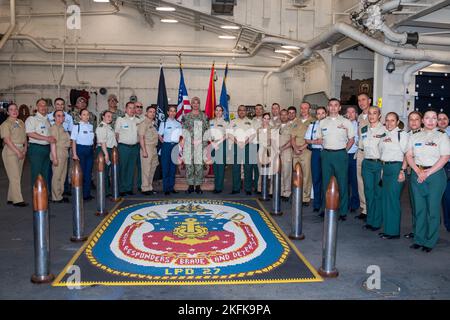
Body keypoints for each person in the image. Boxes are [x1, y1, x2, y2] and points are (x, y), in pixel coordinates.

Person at [406, 110, 450, 252]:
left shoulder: (442, 136)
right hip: (417, 174)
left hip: (435, 175)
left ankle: (430, 241)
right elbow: (409, 155)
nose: (431, 120)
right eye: (427, 118)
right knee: (419, 209)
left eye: (434, 118)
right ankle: (419, 239)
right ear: (423, 120)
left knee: (433, 209)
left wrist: (428, 172)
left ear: (437, 120)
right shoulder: (414, 135)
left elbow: (445, 157)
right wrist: (418, 171)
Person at [316, 98, 355, 220]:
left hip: (340, 155)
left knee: (342, 183)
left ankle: (343, 211)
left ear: (339, 108)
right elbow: (320, 139)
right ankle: (325, 208)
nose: (333, 107)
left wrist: (344, 150)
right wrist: (328, 148)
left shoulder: (346, 122)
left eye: (336, 105)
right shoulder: (322, 122)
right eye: (331, 105)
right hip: (326, 155)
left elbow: (352, 139)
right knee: (325, 183)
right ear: (328, 107)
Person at [378, 112, 409, 239]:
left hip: (397, 168)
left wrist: (402, 171)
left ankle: (393, 232)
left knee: (393, 200)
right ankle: (387, 229)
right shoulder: (384, 134)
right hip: (385, 168)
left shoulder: (402, 134)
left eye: (392, 120)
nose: (389, 123)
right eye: (387, 120)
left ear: (397, 122)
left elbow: (407, 154)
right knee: (385, 199)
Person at [360, 106, 385, 231]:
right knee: (368, 192)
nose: (372, 116)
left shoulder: (385, 130)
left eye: (375, 113)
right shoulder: (364, 129)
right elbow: (361, 147)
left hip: (379, 164)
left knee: (378, 194)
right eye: (370, 113)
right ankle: (370, 220)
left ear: (379, 115)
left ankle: (377, 222)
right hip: (367, 164)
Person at [0, 103, 28, 207]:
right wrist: (17, 152)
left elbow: (25, 137)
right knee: (15, 176)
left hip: (21, 149)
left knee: (17, 175)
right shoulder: (5, 124)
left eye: (16, 109)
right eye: (11, 109)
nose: (14, 111)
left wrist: (25, 149)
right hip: (11, 151)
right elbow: (7, 140)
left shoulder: (20, 122)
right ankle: (18, 200)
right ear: (7, 112)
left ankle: (11, 197)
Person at [182, 97, 209, 194]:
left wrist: (200, 140)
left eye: (197, 103)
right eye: (194, 103)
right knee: (189, 166)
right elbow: (184, 131)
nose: (195, 104)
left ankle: (198, 186)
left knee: (199, 166)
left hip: (200, 145)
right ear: (191, 104)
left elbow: (207, 131)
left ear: (199, 104)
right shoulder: (186, 116)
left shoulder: (204, 116)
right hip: (189, 145)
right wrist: (191, 140)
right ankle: (190, 186)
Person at [25, 98, 55, 187]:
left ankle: (43, 197)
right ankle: (36, 198)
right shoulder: (32, 119)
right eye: (41, 105)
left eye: (45, 105)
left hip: (46, 148)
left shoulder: (47, 120)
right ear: (37, 106)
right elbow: (29, 133)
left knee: (45, 173)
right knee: (36, 173)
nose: (43, 107)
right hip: (36, 149)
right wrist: (46, 138)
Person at [291, 102, 315, 206]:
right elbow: (292, 137)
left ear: (309, 109)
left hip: (306, 151)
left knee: (306, 175)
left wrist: (302, 147)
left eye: (306, 108)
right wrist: (295, 148)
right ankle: (297, 195)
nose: (303, 110)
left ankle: (305, 198)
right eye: (302, 108)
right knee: (296, 175)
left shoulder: (313, 121)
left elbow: (312, 137)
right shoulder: (296, 121)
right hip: (295, 150)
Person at [48, 98, 73, 196]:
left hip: (64, 152)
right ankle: (56, 196)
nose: (61, 118)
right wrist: (54, 158)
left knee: (62, 176)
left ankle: (60, 194)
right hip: (57, 152)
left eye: (62, 116)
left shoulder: (62, 127)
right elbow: (53, 143)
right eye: (58, 116)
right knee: (57, 176)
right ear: (54, 117)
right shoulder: (54, 128)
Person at [404, 111, 423, 239]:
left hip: (425, 172)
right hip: (412, 173)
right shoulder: (407, 136)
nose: (414, 122)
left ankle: (426, 231)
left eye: (416, 119)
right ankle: (417, 230)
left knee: (425, 205)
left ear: (421, 121)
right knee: (415, 203)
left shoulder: (427, 134)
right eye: (411, 119)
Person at [115, 101, 140, 196]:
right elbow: (116, 134)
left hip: (134, 147)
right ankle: (121, 189)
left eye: (133, 108)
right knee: (123, 168)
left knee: (131, 169)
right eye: (130, 108)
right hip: (124, 147)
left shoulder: (137, 120)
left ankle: (128, 188)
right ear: (126, 109)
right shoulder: (120, 119)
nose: (132, 110)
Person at [305, 106, 327, 213]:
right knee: (316, 178)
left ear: (326, 114)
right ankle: (317, 203)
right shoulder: (312, 125)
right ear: (316, 115)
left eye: (323, 113)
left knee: (326, 179)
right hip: (316, 153)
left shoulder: (330, 125)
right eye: (318, 113)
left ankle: (325, 204)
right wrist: (315, 142)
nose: (321, 115)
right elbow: (307, 140)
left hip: (327, 153)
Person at [229, 105, 255, 195]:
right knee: (236, 168)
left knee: (248, 167)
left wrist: (245, 143)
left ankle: (248, 188)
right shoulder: (232, 122)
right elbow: (230, 134)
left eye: (243, 110)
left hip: (247, 146)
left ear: (246, 112)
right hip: (236, 146)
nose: (242, 112)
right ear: (237, 111)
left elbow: (252, 135)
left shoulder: (250, 122)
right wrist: (237, 142)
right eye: (240, 110)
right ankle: (236, 188)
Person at [71, 109, 95, 201]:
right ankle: (79, 194)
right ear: (80, 116)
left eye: (88, 114)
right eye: (84, 114)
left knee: (88, 173)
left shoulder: (91, 126)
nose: (86, 116)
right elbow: (73, 141)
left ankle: (86, 194)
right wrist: (74, 154)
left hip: (89, 150)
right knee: (81, 173)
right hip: (80, 150)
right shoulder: (77, 126)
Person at [158, 106, 182, 195]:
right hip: (166, 146)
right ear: (168, 112)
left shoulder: (178, 124)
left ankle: (171, 187)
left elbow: (180, 137)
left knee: (173, 168)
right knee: (165, 168)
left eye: (174, 111)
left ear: (176, 113)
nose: (172, 113)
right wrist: (164, 143)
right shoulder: (163, 123)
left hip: (175, 146)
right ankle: (166, 188)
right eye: (171, 111)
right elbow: (160, 135)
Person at [355, 93, 371, 219]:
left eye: (364, 100)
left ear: (369, 101)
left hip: (371, 153)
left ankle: (372, 208)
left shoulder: (375, 114)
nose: (361, 102)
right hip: (360, 152)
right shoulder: (359, 117)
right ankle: (364, 208)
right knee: (360, 181)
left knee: (371, 182)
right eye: (359, 100)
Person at [96, 110, 117, 197]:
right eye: (108, 116)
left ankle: (108, 190)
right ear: (103, 117)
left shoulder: (109, 127)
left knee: (108, 172)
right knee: (104, 172)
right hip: (104, 150)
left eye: (111, 117)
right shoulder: (101, 127)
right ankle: (104, 191)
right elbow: (102, 142)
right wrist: (106, 154)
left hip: (110, 149)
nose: (110, 118)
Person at [138, 106, 159, 195]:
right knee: (146, 169)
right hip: (147, 148)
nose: (152, 113)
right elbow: (141, 137)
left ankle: (149, 187)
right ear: (146, 113)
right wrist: (144, 150)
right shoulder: (143, 124)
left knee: (152, 168)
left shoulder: (152, 124)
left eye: (154, 112)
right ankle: (145, 188)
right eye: (150, 112)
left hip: (154, 148)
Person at [209, 105, 228, 194]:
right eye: (216, 110)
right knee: (215, 167)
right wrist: (212, 142)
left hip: (221, 145)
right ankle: (216, 186)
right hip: (213, 145)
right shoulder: (211, 122)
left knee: (220, 167)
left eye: (220, 110)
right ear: (214, 111)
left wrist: (218, 143)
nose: (218, 112)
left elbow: (227, 135)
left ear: (222, 112)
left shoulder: (225, 122)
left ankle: (219, 188)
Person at [345, 106, 360, 213]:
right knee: (344, 181)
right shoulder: (341, 125)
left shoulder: (359, 126)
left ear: (356, 114)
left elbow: (355, 140)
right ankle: (344, 203)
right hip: (343, 155)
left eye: (353, 112)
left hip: (353, 155)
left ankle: (355, 203)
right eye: (348, 112)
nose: (350, 114)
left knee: (354, 181)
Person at [438, 112, 450, 232]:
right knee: (445, 198)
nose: (442, 121)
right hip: (439, 167)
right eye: (439, 119)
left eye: (444, 119)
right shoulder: (433, 133)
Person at [277, 109, 293, 201]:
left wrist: (282, 148)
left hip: (286, 151)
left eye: (285, 115)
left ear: (288, 116)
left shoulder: (291, 126)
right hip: (277, 152)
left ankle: (287, 193)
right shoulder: (277, 126)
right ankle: (280, 191)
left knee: (287, 172)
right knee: (279, 172)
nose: (283, 116)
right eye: (281, 115)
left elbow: (292, 140)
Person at [251, 104, 264, 193]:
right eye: (256, 109)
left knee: (260, 167)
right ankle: (255, 185)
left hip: (262, 146)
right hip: (253, 145)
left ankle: (260, 186)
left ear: (263, 110)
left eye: (260, 109)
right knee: (253, 166)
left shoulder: (267, 120)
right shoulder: (252, 121)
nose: (258, 111)